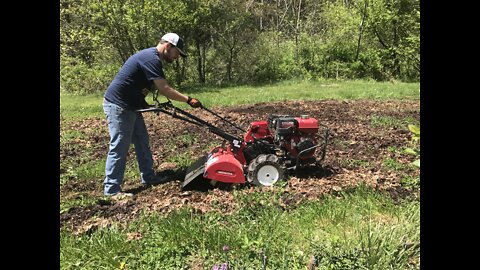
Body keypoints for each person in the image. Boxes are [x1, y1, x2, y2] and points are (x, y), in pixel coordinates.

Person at [102, 33, 202, 198]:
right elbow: (165, 89)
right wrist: (188, 99)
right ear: (168, 46)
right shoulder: (151, 58)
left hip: (132, 106)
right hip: (119, 106)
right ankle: (112, 190)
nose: (177, 57)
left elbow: (137, 84)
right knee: (119, 146)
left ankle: (149, 177)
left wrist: (143, 103)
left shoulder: (152, 58)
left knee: (142, 141)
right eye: (177, 53)